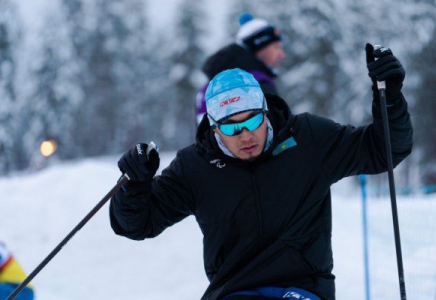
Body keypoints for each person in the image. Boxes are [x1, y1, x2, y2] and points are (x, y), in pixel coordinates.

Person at [110, 44, 413, 300]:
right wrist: (135, 183)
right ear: (214, 127)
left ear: (265, 110)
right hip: (234, 291)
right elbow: (137, 224)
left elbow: (383, 149)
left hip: (304, 289)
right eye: (230, 126)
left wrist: (391, 97)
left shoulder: (307, 139)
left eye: (253, 119)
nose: (245, 134)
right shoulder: (195, 166)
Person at [196, 13, 286, 124]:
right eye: (276, 47)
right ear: (259, 48)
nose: (281, 54)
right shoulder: (255, 84)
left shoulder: (212, 86)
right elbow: (276, 132)